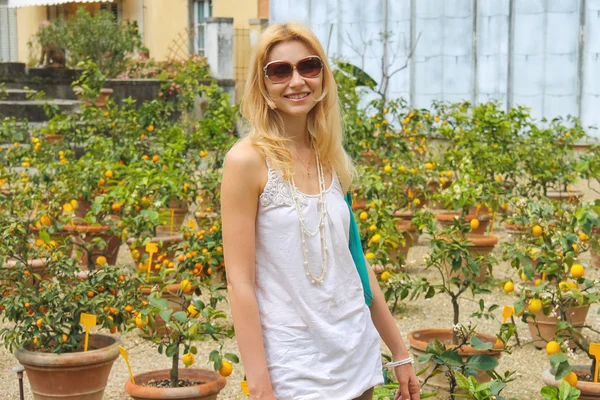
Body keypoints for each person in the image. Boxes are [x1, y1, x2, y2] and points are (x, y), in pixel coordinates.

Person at [221, 22, 420, 400]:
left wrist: (399, 352)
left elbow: (356, 262)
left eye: (308, 67)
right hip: (293, 360)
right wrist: (259, 382)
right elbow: (239, 283)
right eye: (279, 71)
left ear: (323, 76)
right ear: (262, 85)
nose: (296, 81)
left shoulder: (329, 156)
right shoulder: (245, 161)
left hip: (354, 349)